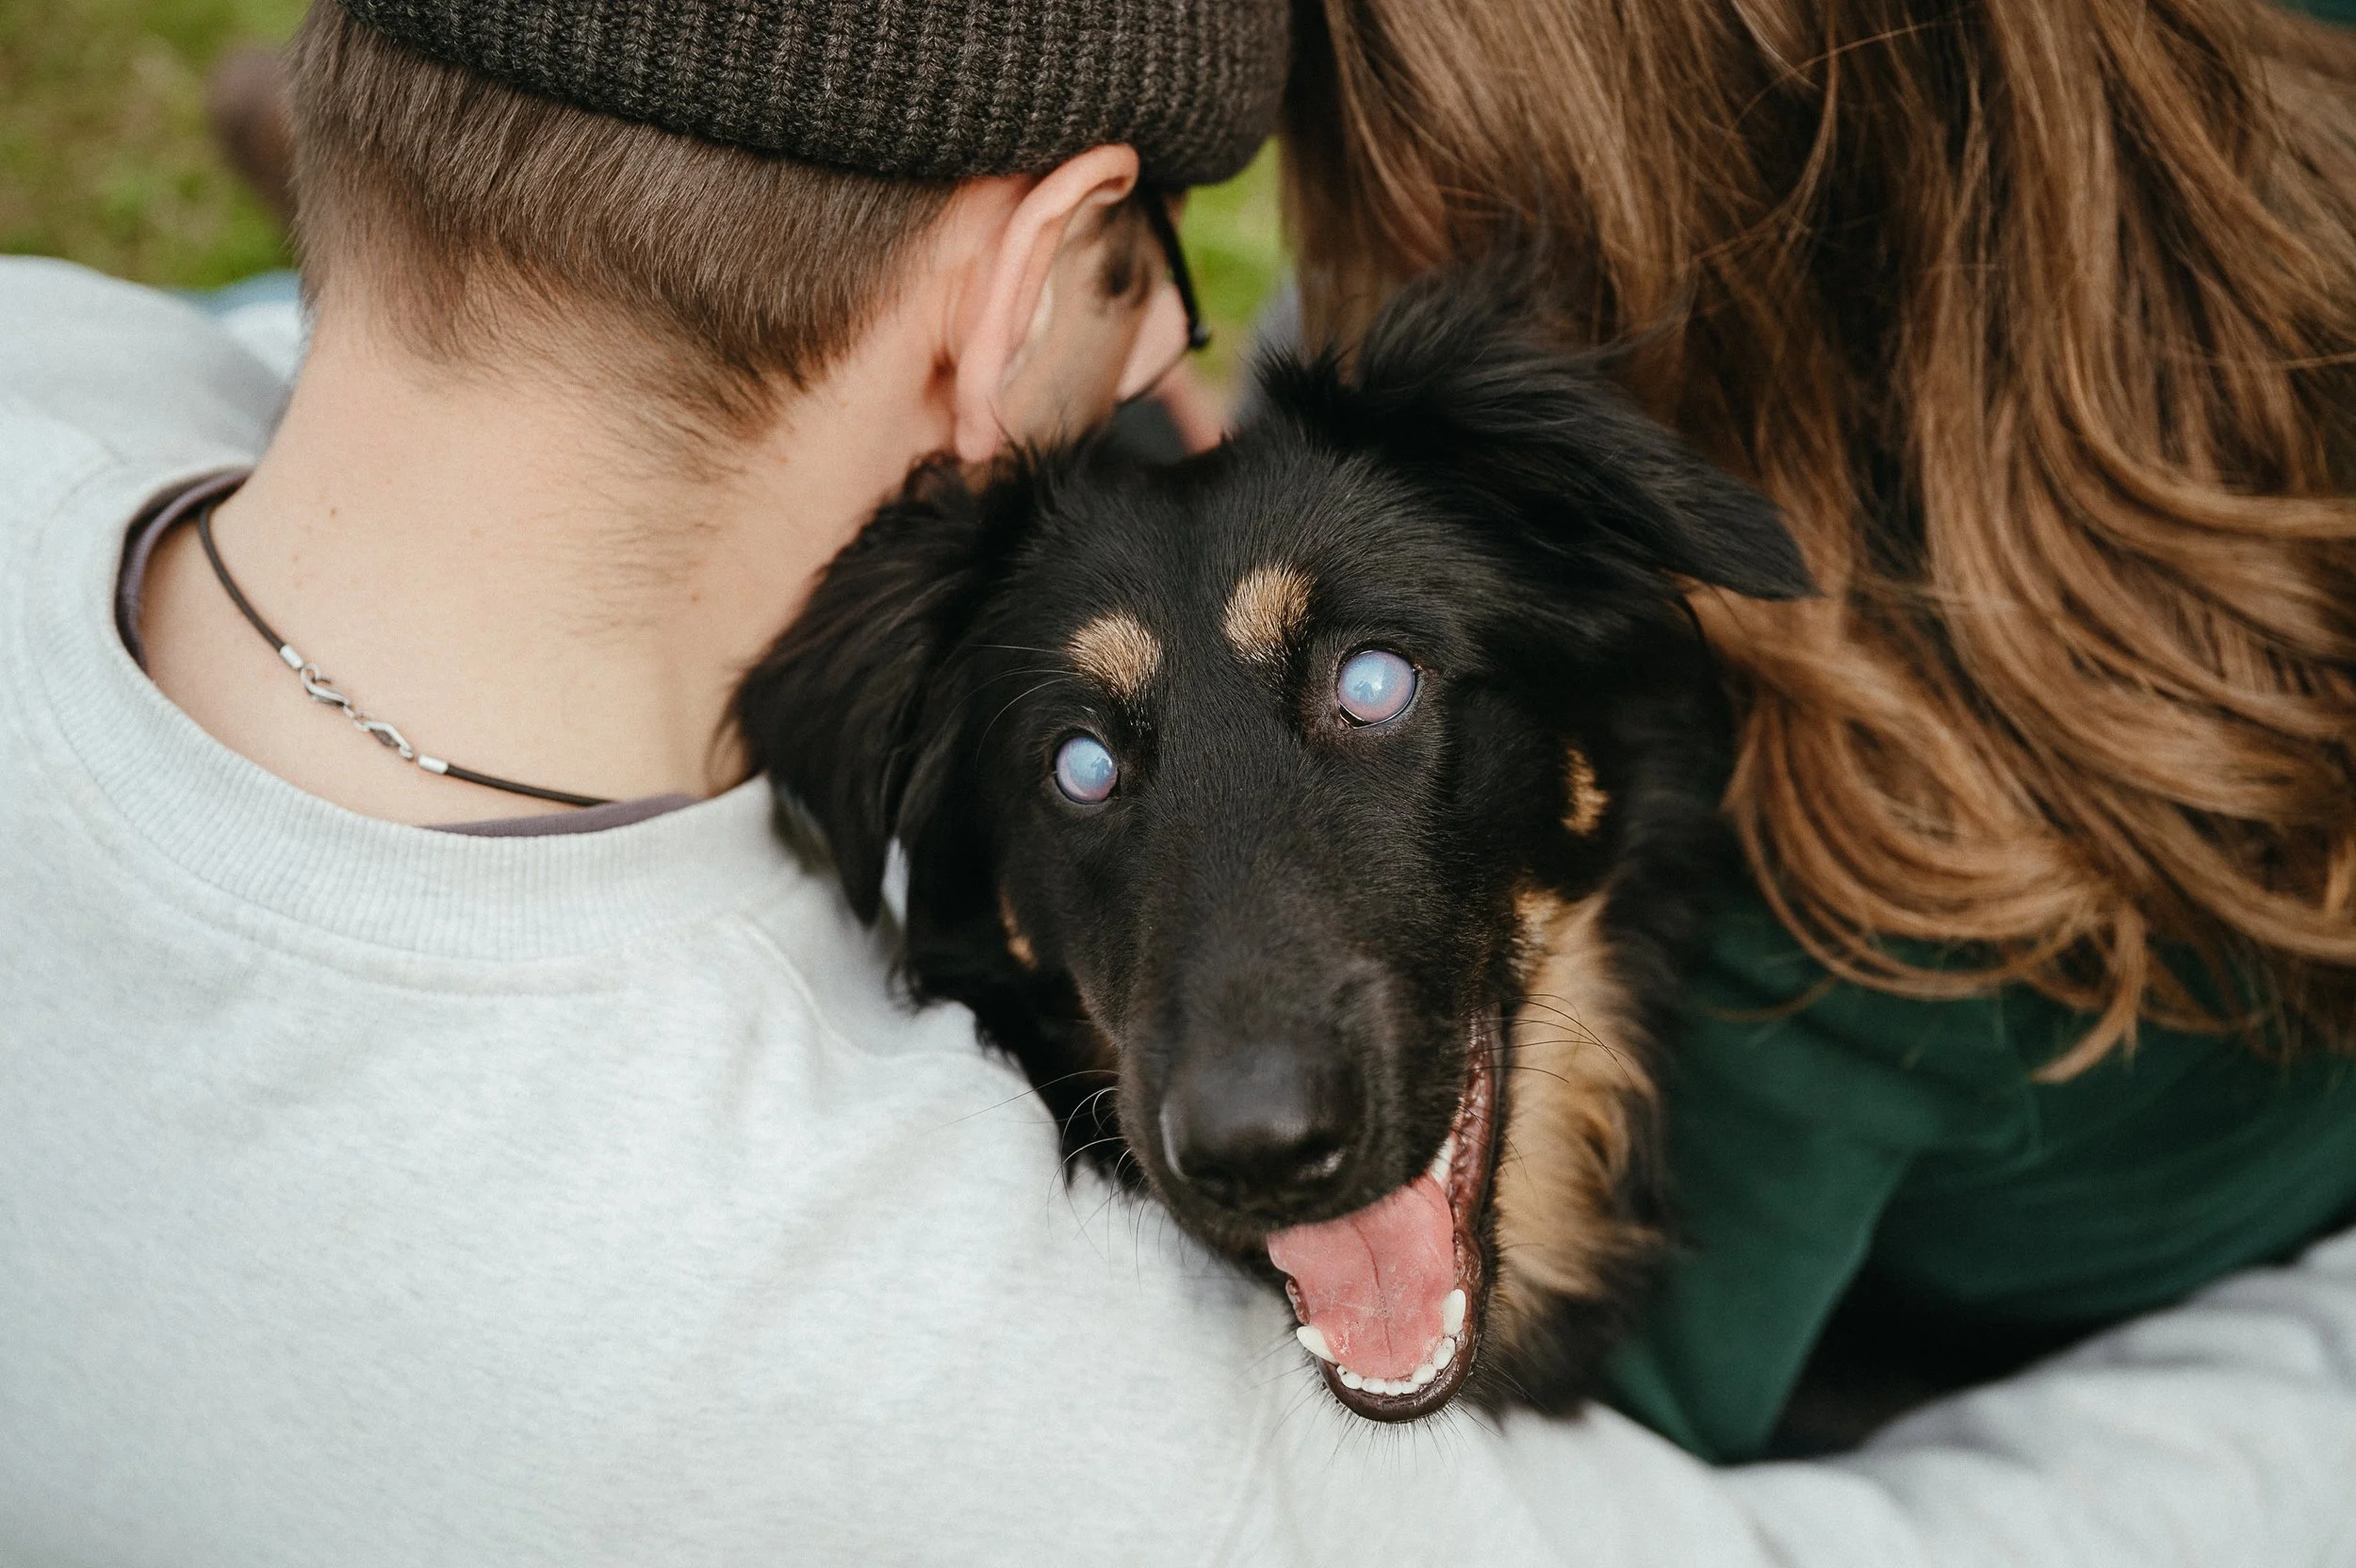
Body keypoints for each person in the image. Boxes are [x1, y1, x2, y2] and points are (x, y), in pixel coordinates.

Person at [1, 2, 2353, 1562]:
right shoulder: (1037, 1418)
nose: (1181, 387)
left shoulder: (52, 372)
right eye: (1150, 296)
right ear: (1008, 294)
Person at [1280, 0, 2356, 1461]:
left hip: (1998, 1330)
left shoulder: (1841, 863)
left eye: (1418, 219)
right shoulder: (2264, 76)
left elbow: (1562, 1432)